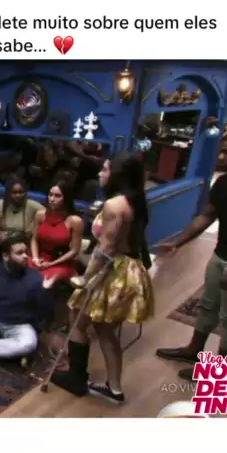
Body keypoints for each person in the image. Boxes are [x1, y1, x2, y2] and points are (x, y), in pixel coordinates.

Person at [155, 129, 227, 381]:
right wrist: (178, 242)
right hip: (220, 252)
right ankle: (193, 351)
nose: (220, 157)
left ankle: (219, 372)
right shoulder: (224, 182)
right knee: (208, 306)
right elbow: (207, 215)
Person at [50, 153, 154, 403]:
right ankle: (114, 388)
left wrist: (85, 278)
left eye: (105, 169)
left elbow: (106, 248)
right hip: (129, 267)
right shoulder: (135, 201)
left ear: (118, 175)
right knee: (105, 330)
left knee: (76, 319)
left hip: (112, 270)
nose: (100, 173)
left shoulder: (115, 205)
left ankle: (76, 378)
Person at [28, 180, 84, 287]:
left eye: (57, 196)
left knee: (43, 283)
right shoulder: (40, 215)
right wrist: (35, 258)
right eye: (50, 195)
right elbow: (34, 239)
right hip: (40, 259)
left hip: (60, 262)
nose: (52, 199)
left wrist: (51, 264)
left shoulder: (75, 221)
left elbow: (74, 251)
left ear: (66, 198)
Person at [0, 175, 44, 241]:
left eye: (20, 192)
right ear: (8, 193)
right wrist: (0, 234)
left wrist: (34, 225)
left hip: (23, 239)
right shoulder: (1, 204)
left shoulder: (31, 204)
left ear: (25, 193)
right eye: (14, 192)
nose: (18, 195)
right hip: (5, 239)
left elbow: (47, 213)